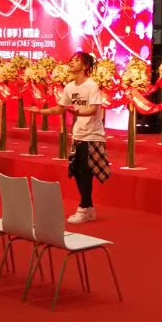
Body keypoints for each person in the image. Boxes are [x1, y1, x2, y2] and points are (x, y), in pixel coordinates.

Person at [49, 52, 110, 224]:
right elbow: (59, 108)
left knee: (85, 171)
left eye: (76, 61)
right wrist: (40, 111)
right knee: (77, 171)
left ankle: (84, 208)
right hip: (78, 134)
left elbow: (93, 109)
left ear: (85, 66)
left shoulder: (91, 86)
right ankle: (88, 208)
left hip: (93, 135)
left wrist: (77, 112)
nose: (71, 63)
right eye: (71, 60)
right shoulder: (69, 87)